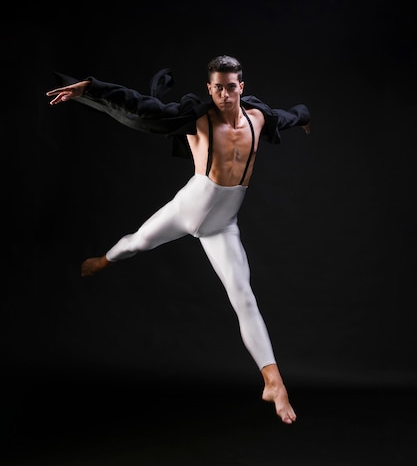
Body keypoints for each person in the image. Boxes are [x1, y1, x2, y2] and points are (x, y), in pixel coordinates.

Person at [46, 55, 311, 424]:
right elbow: (141, 107)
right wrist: (91, 88)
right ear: (209, 88)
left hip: (222, 224)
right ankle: (106, 259)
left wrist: (305, 118)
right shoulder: (197, 117)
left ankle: (273, 381)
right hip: (187, 208)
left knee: (244, 297)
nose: (223, 94)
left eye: (230, 87)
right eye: (216, 87)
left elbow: (290, 116)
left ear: (241, 87)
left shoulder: (259, 119)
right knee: (137, 242)